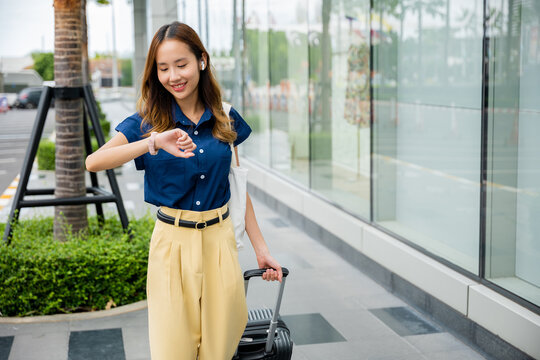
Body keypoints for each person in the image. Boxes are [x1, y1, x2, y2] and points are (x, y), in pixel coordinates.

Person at [86, 21, 283, 360]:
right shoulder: (148, 119)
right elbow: (94, 161)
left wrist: (261, 248)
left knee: (220, 349)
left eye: (181, 64)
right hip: (172, 243)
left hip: (220, 241)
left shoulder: (224, 116)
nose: (173, 76)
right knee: (172, 351)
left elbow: (237, 184)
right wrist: (152, 142)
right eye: (163, 68)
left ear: (201, 61)